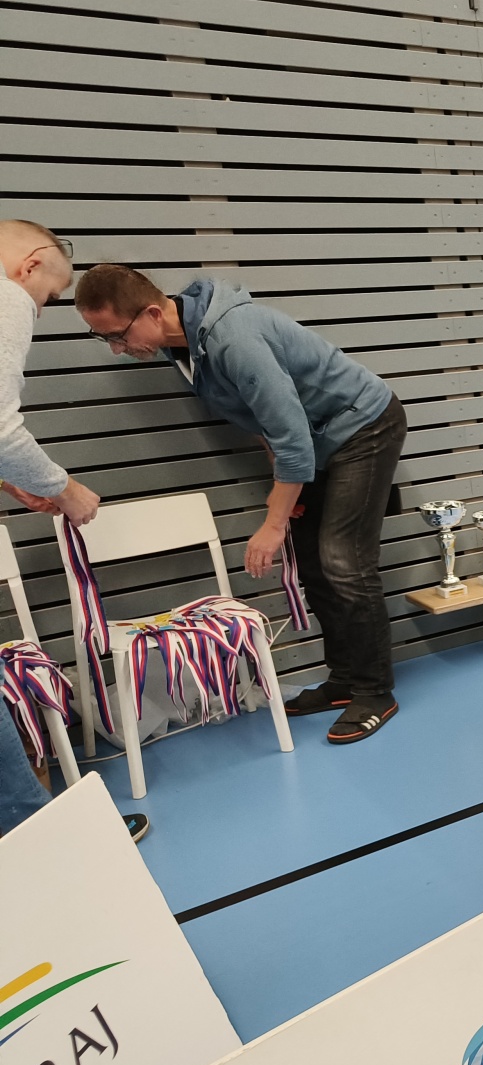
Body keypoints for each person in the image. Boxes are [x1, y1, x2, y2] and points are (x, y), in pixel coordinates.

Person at [75, 264, 407, 744]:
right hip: (313, 442)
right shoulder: (182, 346)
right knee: (313, 563)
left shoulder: (234, 339)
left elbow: (292, 437)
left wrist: (274, 522)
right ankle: (345, 679)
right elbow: (263, 419)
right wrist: (284, 487)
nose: (116, 349)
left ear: (152, 313)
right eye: (104, 338)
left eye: (118, 335)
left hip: (362, 428)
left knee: (343, 561)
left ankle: (375, 691)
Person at [0, 220, 146, 841]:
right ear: (32, 263)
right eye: (51, 296)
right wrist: (65, 488)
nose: (41, 308)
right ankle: (38, 833)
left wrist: (9, 482)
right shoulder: (7, 295)